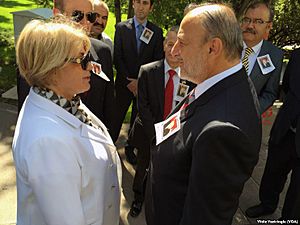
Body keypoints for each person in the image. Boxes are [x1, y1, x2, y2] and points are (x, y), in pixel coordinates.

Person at [145, 3, 262, 225]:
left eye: (183, 42)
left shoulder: (224, 132)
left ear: (213, 48)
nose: (174, 51)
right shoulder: (223, 80)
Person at [12, 17, 121, 225]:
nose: (90, 65)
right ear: (51, 67)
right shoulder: (47, 142)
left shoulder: (63, 99)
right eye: (81, 59)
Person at [17, 0, 115, 137]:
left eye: (91, 16)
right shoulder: (37, 58)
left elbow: (109, 104)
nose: (86, 23)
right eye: (77, 15)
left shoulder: (103, 51)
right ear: (57, 15)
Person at [127, 26, 195, 217]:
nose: (175, 50)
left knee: (168, 171)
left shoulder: (191, 76)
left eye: (179, 45)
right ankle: (138, 199)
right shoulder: (148, 71)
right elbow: (143, 105)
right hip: (148, 133)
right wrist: (156, 134)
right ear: (164, 45)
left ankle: (159, 199)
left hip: (176, 135)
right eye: (170, 44)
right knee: (142, 168)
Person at [245, 49, 300, 220]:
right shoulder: (297, 55)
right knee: (273, 171)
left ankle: (289, 218)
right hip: (286, 128)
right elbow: (287, 87)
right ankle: (267, 204)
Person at [113, 0, 164, 164]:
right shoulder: (121, 28)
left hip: (143, 87)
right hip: (124, 84)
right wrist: (129, 81)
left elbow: (156, 61)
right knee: (116, 116)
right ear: (133, 4)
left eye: (145, 3)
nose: (141, 6)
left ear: (151, 7)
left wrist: (139, 82)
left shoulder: (155, 32)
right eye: (138, 2)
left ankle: (130, 147)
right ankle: (109, 146)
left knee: (137, 117)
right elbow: (118, 57)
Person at [240, 1, 283, 114]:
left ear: (268, 27)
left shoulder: (275, 55)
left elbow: (270, 94)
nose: (249, 25)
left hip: (247, 121)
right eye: (246, 19)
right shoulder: (226, 46)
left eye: (258, 21)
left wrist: (250, 113)